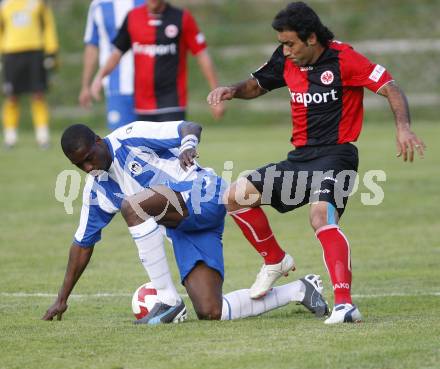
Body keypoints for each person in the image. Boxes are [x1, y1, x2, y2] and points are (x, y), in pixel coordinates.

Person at [207, 1, 426, 324]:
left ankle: (345, 304)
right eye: (282, 43)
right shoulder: (286, 58)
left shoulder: (344, 58)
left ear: (312, 39)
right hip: (300, 159)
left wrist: (403, 127)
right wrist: (232, 90)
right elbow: (258, 84)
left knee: (320, 214)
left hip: (337, 156)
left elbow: (390, 87)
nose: (285, 50)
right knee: (236, 195)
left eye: (290, 43)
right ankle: (275, 260)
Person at [42, 119, 328, 324]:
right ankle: (301, 290)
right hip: (185, 228)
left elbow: (188, 127)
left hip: (203, 193)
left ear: (99, 141)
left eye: (90, 158)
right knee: (211, 311)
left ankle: (166, 299)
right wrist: (62, 297)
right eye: (80, 165)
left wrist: (187, 146)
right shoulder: (97, 191)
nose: (88, 167)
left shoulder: (130, 136)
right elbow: (82, 244)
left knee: (133, 204)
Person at [90, 0, 225, 122]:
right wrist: (99, 77)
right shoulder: (133, 17)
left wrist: (216, 94)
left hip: (172, 103)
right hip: (142, 105)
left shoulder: (182, 18)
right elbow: (117, 52)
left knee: (174, 149)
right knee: (143, 149)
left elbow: (202, 54)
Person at [0, 0, 58, 148]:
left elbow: (48, 26)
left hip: (35, 52)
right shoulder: (4, 4)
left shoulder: (39, 3)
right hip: (11, 53)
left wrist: (51, 50)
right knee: (11, 97)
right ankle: (10, 137)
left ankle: (43, 137)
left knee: (38, 95)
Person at [79, 0, 145, 131]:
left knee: (156, 141)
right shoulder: (99, 5)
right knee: (121, 141)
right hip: (116, 86)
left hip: (149, 86)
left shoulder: (147, 3)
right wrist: (85, 86)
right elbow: (92, 47)